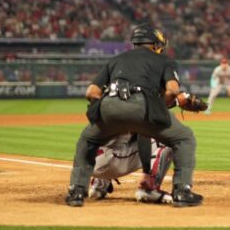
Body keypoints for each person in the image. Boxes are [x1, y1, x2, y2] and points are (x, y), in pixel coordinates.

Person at [65, 24, 203, 207]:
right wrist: (170, 104)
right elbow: (172, 90)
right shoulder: (164, 60)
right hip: (142, 105)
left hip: (108, 105)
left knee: (87, 139)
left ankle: (76, 191)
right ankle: (181, 191)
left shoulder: (116, 60)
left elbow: (91, 92)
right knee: (184, 138)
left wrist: (106, 109)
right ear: (156, 44)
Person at [88, 133, 174, 204]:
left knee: (119, 136)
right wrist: (146, 172)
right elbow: (142, 135)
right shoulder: (139, 111)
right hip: (108, 161)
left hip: (90, 159)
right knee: (166, 139)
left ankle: (100, 183)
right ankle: (150, 188)